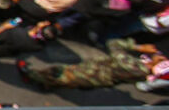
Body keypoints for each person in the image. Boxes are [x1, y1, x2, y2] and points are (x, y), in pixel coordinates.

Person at [19, 39, 169, 91]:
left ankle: (30, 75)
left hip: (89, 73)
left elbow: (114, 44)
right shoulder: (143, 72)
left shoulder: (134, 66)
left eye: (161, 59)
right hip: (96, 77)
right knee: (65, 80)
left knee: (57, 74)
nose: (160, 55)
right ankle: (47, 84)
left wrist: (137, 47)